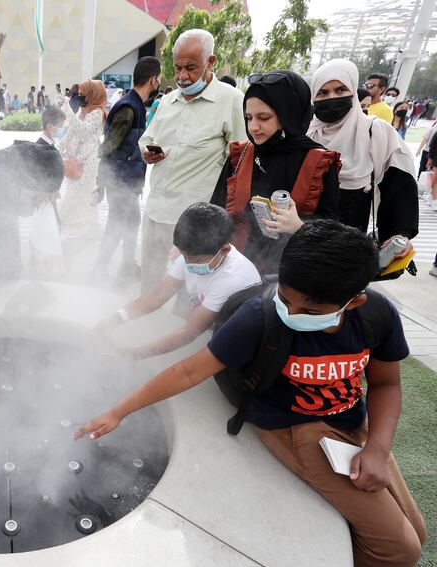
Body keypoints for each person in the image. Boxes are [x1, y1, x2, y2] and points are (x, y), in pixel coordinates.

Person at [76, 220, 427, 567]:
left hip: (353, 419)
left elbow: (385, 384)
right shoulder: (259, 314)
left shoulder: (376, 315)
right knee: (401, 549)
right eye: (286, 299)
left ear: (353, 302)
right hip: (296, 428)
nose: (291, 314)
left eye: (310, 311)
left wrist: (378, 449)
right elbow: (189, 370)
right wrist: (119, 411)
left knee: (417, 533)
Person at [138, 28, 246, 293]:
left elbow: (240, 159)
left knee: (190, 289)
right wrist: (146, 151)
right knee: (150, 277)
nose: (182, 76)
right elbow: (146, 137)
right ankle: (142, 324)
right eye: (177, 68)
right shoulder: (168, 101)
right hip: (155, 210)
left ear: (211, 62)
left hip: (194, 221)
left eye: (191, 67)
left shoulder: (231, 100)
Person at [210, 70, 340, 275]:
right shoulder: (241, 154)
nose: (253, 127)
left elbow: (331, 225)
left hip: (290, 274)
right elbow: (216, 207)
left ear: (288, 114)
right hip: (235, 266)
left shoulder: (318, 161)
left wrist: (299, 225)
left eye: (264, 117)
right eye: (248, 117)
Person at [0, 117, 65, 369]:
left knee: (9, 276)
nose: (46, 199)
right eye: (43, 193)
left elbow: (29, 202)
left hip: (6, 248)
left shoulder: (32, 157)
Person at [95, 202, 260, 359]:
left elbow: (189, 332)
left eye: (196, 260)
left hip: (235, 338)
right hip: (208, 320)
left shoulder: (232, 279)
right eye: (184, 256)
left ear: (224, 250)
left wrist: (135, 354)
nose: (188, 264)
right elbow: (157, 296)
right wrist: (116, 318)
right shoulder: (193, 255)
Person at [308, 59, 418, 261]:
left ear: (352, 92)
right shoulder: (307, 134)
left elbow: (400, 184)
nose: (332, 98)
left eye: (341, 90)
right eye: (323, 93)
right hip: (306, 242)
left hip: (351, 240)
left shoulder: (375, 131)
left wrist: (400, 232)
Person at [92, 56, 162, 282]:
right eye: (159, 78)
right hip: (120, 181)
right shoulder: (130, 107)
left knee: (131, 224)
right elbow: (110, 145)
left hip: (129, 181)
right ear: (153, 80)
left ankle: (127, 267)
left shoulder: (137, 105)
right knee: (116, 227)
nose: (159, 82)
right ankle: (98, 271)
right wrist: (102, 180)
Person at [56, 79, 107, 237]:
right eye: (79, 94)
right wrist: (56, 148)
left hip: (88, 162)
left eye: (83, 94)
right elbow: (71, 132)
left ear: (93, 94)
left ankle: (60, 223)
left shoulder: (98, 113)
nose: (80, 97)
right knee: (80, 194)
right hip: (73, 160)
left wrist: (69, 111)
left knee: (77, 194)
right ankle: (92, 229)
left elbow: (83, 132)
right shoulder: (82, 110)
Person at [30, 106, 67, 276]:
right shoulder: (41, 147)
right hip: (44, 201)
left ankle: (46, 272)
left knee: (47, 236)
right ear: (50, 126)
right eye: (60, 126)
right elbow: (36, 175)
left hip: (49, 200)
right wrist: (46, 192)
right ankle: (45, 273)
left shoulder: (47, 145)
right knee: (47, 238)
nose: (61, 129)